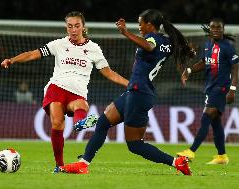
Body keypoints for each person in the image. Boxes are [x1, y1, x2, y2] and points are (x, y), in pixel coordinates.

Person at [60, 9, 195, 175]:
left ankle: (177, 162)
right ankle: (83, 163)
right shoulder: (167, 41)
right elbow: (177, 47)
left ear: (150, 25)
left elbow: (149, 46)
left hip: (140, 93)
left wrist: (126, 33)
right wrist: (188, 50)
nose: (139, 27)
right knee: (103, 122)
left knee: (135, 144)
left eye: (140, 23)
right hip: (137, 91)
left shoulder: (151, 38)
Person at [1, 11, 128, 173]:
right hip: (56, 88)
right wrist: (12, 60)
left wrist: (129, 84)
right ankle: (59, 165)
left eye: (77, 26)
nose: (73, 30)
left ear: (83, 27)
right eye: (70, 26)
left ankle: (80, 123)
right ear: (66, 28)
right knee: (57, 123)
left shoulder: (94, 48)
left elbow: (109, 73)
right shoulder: (59, 44)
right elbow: (34, 53)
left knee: (81, 104)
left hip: (77, 92)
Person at [176, 18, 239, 164]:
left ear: (223, 29)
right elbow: (205, 62)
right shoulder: (208, 45)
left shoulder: (228, 46)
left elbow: (237, 68)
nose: (216, 30)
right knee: (215, 122)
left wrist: (232, 89)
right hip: (211, 87)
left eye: (219, 28)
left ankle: (191, 151)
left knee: (206, 117)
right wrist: (189, 70)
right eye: (213, 28)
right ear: (209, 29)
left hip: (221, 87)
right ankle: (222, 156)